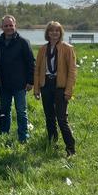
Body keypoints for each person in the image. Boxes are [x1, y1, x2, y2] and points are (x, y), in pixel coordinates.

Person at [33, 21, 77, 157]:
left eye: (57, 31)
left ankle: (70, 149)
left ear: (61, 33)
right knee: (49, 117)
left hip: (60, 86)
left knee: (62, 119)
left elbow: (72, 71)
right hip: (46, 85)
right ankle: (52, 142)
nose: (54, 33)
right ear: (47, 33)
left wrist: (69, 90)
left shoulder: (67, 48)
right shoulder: (42, 49)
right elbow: (37, 69)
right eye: (51, 31)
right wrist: (36, 89)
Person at [0, 15, 35, 142]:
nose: (8, 28)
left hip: (20, 84)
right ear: (2, 27)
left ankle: (23, 137)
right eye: (6, 25)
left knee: (21, 112)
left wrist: (30, 81)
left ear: (15, 25)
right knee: (5, 111)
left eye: (11, 25)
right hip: (4, 85)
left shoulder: (23, 42)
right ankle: (4, 134)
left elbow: (31, 62)